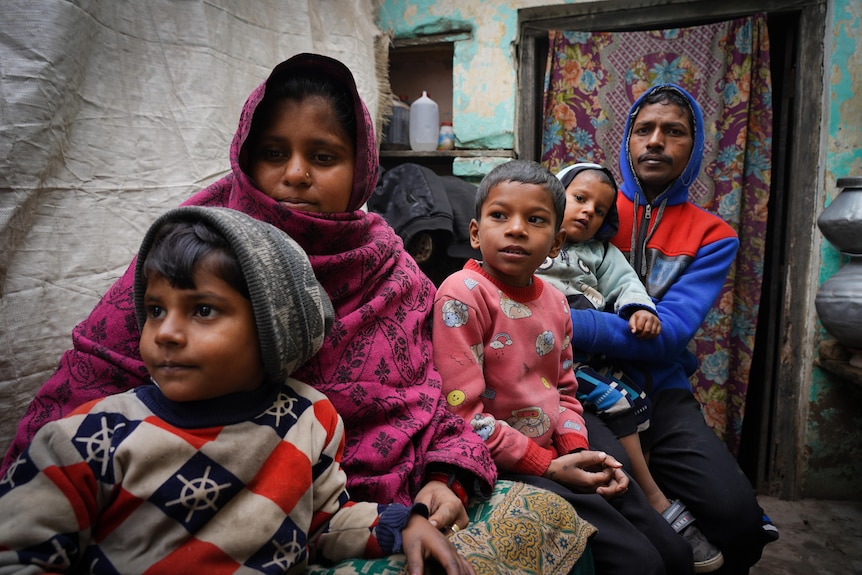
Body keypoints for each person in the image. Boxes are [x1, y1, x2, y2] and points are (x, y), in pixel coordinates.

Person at [1, 53, 590, 574]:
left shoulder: (390, 271)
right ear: (245, 157)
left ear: (361, 168)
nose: (296, 174)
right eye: (274, 153)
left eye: (324, 155)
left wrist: (444, 476)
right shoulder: (192, 245)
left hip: (348, 514)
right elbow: (84, 398)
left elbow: (435, 397)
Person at [0, 206, 472, 574]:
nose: (165, 332)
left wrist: (403, 525)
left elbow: (325, 522)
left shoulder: (309, 419)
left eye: (202, 310)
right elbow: (19, 557)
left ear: (274, 332)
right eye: (156, 309)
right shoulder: (87, 440)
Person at [432, 159, 694, 575]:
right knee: (638, 561)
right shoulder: (463, 296)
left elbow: (565, 391)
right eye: (500, 216)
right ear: (476, 233)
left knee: (674, 552)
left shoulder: (554, 302)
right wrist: (548, 466)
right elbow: (462, 416)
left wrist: (576, 451)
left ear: (556, 244)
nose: (516, 228)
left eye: (534, 220)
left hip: (558, 449)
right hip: (501, 460)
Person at [566, 84, 778, 574]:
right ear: (628, 140)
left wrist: (561, 322)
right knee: (643, 539)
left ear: (696, 146)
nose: (656, 141)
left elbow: (668, 336)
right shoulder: (588, 208)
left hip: (662, 394)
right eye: (644, 130)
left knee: (739, 521)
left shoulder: (712, 235)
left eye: (674, 132)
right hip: (576, 391)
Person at [536, 162, 724, 572]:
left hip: (587, 361)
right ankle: (652, 495)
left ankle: (645, 486)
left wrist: (638, 309)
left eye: (600, 210)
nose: (588, 211)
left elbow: (626, 285)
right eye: (579, 198)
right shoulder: (537, 238)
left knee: (637, 403)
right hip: (542, 360)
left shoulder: (602, 253)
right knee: (620, 403)